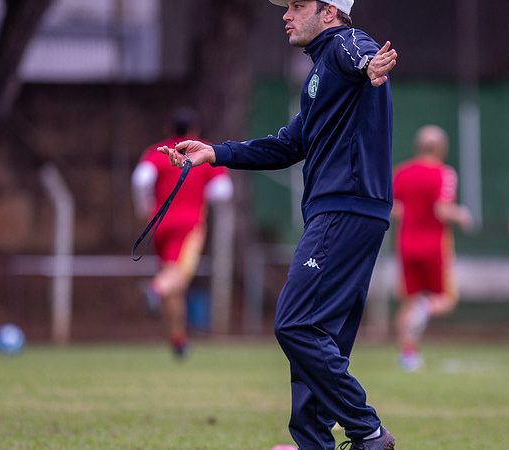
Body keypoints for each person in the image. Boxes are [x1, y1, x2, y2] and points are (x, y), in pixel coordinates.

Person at [161, 1, 398, 448]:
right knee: (319, 337)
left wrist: (372, 65)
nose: (286, 14)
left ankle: (368, 431)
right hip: (353, 211)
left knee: (295, 325)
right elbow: (290, 144)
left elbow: (361, 51)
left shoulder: (345, 44)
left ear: (328, 12)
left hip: (344, 209)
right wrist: (215, 153)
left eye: (297, 5)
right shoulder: (320, 70)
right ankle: (313, 444)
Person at [132, 109, 233, 358]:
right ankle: (154, 290)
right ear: (195, 130)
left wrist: (144, 208)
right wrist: (200, 194)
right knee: (176, 278)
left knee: (172, 279)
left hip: (159, 225)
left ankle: (177, 339)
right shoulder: (203, 151)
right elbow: (223, 191)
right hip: (189, 226)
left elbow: (140, 180)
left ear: (169, 129)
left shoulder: (156, 152)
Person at [392, 125, 471, 371]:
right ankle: (423, 310)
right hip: (434, 244)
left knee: (408, 301)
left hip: (406, 242)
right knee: (445, 300)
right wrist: (462, 215)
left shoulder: (401, 172)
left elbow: (392, 207)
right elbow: (442, 209)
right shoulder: (444, 173)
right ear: (441, 148)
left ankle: (408, 354)